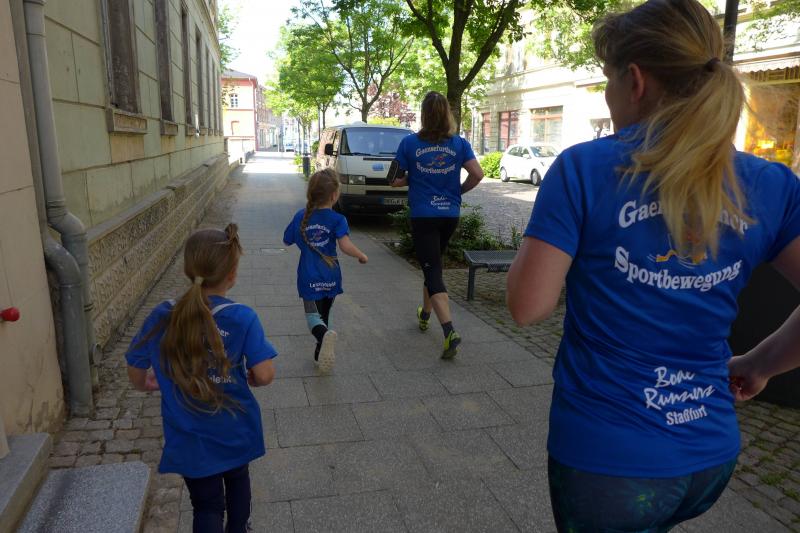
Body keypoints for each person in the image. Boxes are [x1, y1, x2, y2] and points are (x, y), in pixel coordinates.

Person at [506, 0, 800, 530]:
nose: (608, 94)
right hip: (709, 452)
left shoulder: (583, 168)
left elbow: (527, 306)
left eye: (608, 79)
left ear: (635, 80)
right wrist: (759, 364)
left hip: (607, 465)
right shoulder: (771, 184)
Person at [126, 224, 277, 533]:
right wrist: (253, 376)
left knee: (206, 505)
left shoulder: (162, 315)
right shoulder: (242, 317)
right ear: (232, 274)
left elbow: (135, 366)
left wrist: (144, 384)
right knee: (238, 482)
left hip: (189, 436)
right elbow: (264, 374)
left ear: (187, 269)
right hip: (234, 428)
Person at [391, 91, 484, 358]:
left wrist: (412, 176)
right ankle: (425, 314)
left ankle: (449, 331)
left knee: (432, 269)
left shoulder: (409, 143)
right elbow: (477, 174)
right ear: (447, 114)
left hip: (424, 216)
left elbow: (393, 179)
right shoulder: (460, 144)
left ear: (423, 115)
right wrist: (458, 192)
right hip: (449, 215)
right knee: (432, 265)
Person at [283, 168, 368, 371]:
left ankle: (323, 337)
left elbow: (286, 240)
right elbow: (345, 246)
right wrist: (361, 255)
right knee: (325, 315)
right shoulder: (338, 219)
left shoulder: (300, 216)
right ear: (334, 195)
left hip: (308, 277)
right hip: (331, 275)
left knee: (313, 317)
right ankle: (319, 354)